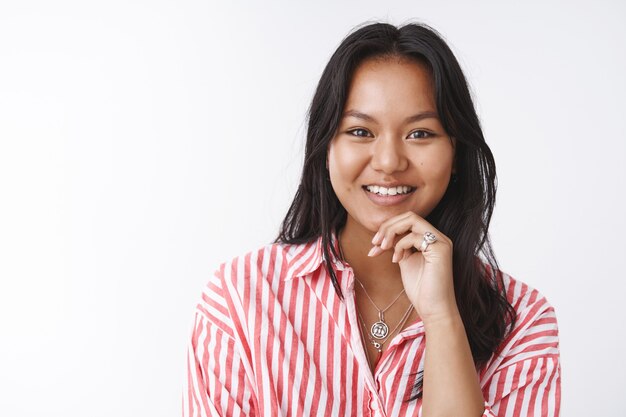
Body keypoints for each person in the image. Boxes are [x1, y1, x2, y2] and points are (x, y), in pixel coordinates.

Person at [183, 21, 561, 417]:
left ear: (456, 156)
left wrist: (442, 318)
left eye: (420, 134)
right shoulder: (240, 299)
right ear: (326, 147)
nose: (388, 162)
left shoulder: (523, 321)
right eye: (361, 131)